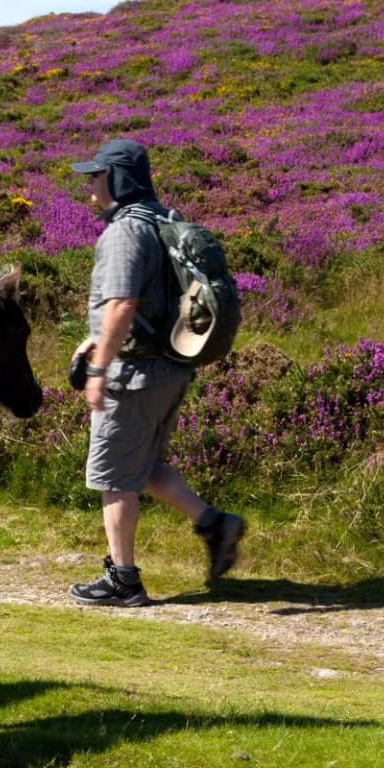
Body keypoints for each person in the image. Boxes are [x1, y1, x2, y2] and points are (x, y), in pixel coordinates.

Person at [65, 138, 245, 606]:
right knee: (141, 467)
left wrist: (100, 366)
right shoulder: (163, 219)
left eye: (96, 174)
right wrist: (97, 338)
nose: (90, 183)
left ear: (118, 180)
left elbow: (123, 303)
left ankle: (123, 580)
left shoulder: (125, 232)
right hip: (169, 366)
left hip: (133, 374)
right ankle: (215, 524)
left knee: (114, 477)